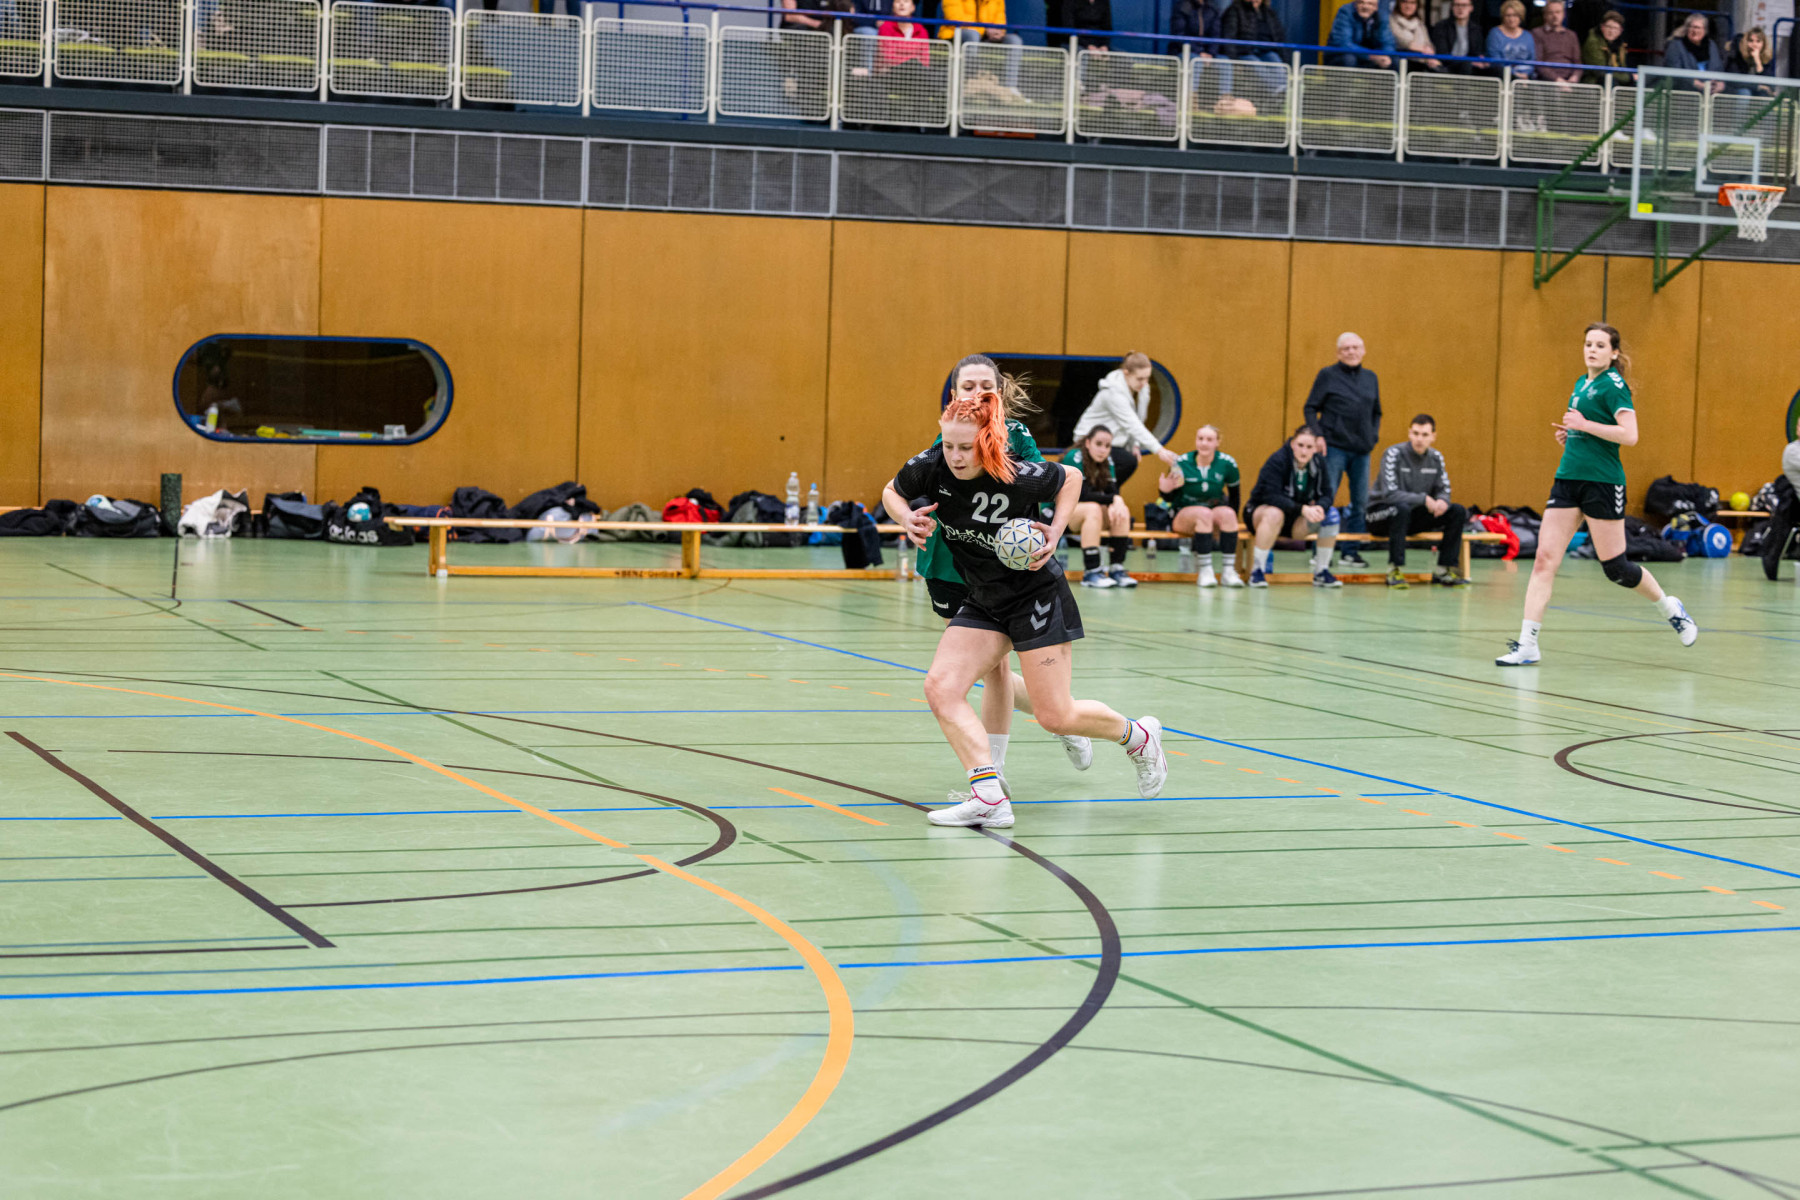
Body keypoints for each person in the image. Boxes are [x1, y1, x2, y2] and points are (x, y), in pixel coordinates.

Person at [884, 390, 1168, 829]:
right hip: (985, 597)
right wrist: (905, 516)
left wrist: (1056, 530)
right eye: (949, 444)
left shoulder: (1015, 474)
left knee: (1056, 716)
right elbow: (891, 491)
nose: (955, 456)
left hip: (1036, 596)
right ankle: (988, 796)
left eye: (965, 447)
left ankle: (1139, 736)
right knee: (941, 687)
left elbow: (1071, 477)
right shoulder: (932, 465)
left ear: (985, 441)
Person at [910, 355, 1095, 789]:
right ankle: (1063, 717)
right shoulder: (949, 437)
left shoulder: (1017, 436)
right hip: (947, 563)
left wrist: (1044, 533)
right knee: (982, 669)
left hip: (1000, 567)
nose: (976, 394)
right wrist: (908, 517)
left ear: (1000, 392)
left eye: (985, 387)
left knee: (995, 668)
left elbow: (1050, 486)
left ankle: (999, 767)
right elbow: (903, 487)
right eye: (967, 387)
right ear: (954, 394)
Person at [1496, 323, 1697, 665]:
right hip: (1568, 479)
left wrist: (1584, 426)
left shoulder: (1614, 386)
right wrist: (1572, 436)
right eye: (1588, 343)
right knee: (1544, 559)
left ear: (1614, 352)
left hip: (1602, 483)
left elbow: (1629, 435)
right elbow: (1589, 431)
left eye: (1600, 345)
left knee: (1616, 568)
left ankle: (1670, 607)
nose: (1592, 350)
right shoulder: (1581, 383)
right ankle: (1528, 644)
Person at [1302, 332, 1381, 567]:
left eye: (1356, 347)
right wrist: (1318, 435)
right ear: (1338, 353)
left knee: (1360, 502)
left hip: (1362, 450)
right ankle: (1320, 552)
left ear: (1363, 351)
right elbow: (1310, 408)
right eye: (1346, 348)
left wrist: (1373, 436)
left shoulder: (1371, 377)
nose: (1351, 352)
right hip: (1333, 448)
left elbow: (1376, 411)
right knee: (1326, 498)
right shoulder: (1327, 375)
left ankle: (1350, 552)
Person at [1367, 413, 1469, 588]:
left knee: (1457, 511)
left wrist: (1443, 501)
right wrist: (1424, 499)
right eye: (1415, 433)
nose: (1419, 439)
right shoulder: (1393, 454)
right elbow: (1389, 494)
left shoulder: (1436, 457)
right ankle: (1394, 570)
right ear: (1409, 433)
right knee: (1401, 508)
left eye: (1424, 435)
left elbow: (1444, 489)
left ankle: (1443, 571)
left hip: (1411, 516)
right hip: (1379, 516)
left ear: (1433, 437)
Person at [1247, 424, 1342, 588]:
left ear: (1315, 448)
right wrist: (1302, 509)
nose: (1304, 451)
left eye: (1309, 447)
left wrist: (1320, 507)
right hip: (1262, 515)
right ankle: (1257, 571)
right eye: (1300, 445)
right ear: (1292, 444)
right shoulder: (1278, 460)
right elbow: (1271, 496)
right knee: (1275, 513)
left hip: (1295, 520)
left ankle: (1321, 571)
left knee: (1331, 515)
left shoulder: (1319, 463)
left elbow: (1327, 494)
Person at [1072, 352, 1181, 489]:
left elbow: (1139, 418)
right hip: (1087, 443)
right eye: (1140, 379)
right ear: (1126, 373)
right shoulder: (1112, 393)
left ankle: (1105, 494)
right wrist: (1159, 450)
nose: (1144, 383)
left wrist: (1135, 444)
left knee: (1127, 462)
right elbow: (1132, 424)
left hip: (1110, 443)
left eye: (1147, 378)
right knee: (1127, 461)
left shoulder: (1141, 387)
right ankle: (1097, 493)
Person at [1158, 423, 1244, 588]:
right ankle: (1205, 571)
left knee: (1228, 513)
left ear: (1217, 442)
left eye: (1209, 439)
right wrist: (1164, 491)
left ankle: (1228, 571)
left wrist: (1228, 524)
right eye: (1200, 439)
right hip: (1183, 516)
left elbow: (1235, 498)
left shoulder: (1227, 463)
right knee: (1204, 513)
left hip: (1212, 517)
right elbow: (1166, 500)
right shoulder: (1182, 463)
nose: (1204, 443)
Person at [1064, 426, 1138, 588]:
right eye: (1098, 444)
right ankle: (1092, 571)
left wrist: (1116, 502)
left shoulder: (1107, 460)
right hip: (1060, 516)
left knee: (1121, 510)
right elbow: (1081, 495)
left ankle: (1117, 568)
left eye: (1107, 446)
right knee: (1093, 508)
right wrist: (1114, 498)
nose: (1103, 450)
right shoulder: (1074, 457)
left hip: (1088, 515)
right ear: (1088, 443)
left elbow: (1112, 491)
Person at [938, 0, 1024, 95]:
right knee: (972, 35)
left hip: (985, 36)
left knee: (1014, 40)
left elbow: (1000, 20)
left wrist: (999, 31)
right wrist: (985, 29)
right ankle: (967, 82)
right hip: (956, 34)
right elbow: (954, 19)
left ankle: (1010, 87)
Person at [1218, 0, 1288, 93]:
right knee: (1258, 66)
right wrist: (1234, 60)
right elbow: (1229, 37)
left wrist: (1285, 59)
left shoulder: (1269, 13)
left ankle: (1283, 91)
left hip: (1266, 51)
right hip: (1245, 52)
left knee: (1278, 65)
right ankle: (1277, 91)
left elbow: (1279, 37)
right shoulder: (1234, 10)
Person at [1663, 13, 1724, 91]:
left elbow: (1719, 69)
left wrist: (1720, 84)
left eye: (1697, 27)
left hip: (1711, 92)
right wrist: (1698, 85)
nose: (1694, 31)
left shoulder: (1712, 45)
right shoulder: (1676, 46)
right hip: (1686, 92)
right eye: (1691, 27)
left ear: (1705, 30)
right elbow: (1675, 73)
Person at [1327, 0, 1395, 68]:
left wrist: (1384, 56)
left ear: (1376, 7)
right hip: (1344, 56)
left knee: (1394, 61)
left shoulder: (1381, 15)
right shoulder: (1345, 12)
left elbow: (1388, 43)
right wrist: (1371, 56)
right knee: (1349, 59)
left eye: (1370, 4)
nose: (1365, 7)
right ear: (1355, 4)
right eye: (1361, 2)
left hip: (1371, 57)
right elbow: (1343, 43)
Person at [1531, 0, 1582, 84]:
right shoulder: (1537, 33)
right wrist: (1557, 80)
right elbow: (1538, 63)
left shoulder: (1571, 35)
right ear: (1545, 15)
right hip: (1546, 82)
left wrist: (1574, 77)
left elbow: (1577, 63)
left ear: (1564, 14)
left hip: (1569, 82)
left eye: (1558, 12)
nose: (1555, 16)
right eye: (1551, 13)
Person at [1429, 0, 1485, 73]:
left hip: (1469, 66)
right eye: (1457, 5)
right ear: (1452, 7)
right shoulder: (1442, 26)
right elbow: (1442, 52)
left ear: (1471, 8)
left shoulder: (1476, 29)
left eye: (1464, 5)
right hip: (1447, 66)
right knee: (1465, 65)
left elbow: (1477, 52)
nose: (1460, 8)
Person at [1485, 1, 1535, 81]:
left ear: (1521, 16)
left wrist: (1525, 74)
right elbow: (1496, 61)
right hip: (1501, 78)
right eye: (1508, 15)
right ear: (1503, 16)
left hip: (1524, 78)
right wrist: (1515, 75)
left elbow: (1532, 61)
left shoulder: (1528, 36)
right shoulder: (1495, 34)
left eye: (1515, 15)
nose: (1511, 19)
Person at [1724, 27, 1777, 96]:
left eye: (1758, 41)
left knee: (1764, 94)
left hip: (1756, 90)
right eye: (1751, 41)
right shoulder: (1736, 54)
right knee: (1745, 93)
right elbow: (1735, 80)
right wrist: (1757, 86)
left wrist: (1758, 62)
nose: (1754, 45)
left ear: (1763, 44)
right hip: (1735, 89)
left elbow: (1769, 83)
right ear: (1746, 42)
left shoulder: (1766, 58)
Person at [1581, 10, 1627, 83]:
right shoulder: (1593, 41)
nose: (1611, 31)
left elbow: (1622, 68)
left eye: (1615, 28)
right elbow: (1600, 71)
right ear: (1602, 27)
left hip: (1614, 80)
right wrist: (1629, 77)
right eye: (1608, 27)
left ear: (1620, 31)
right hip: (1594, 82)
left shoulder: (1620, 45)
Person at [1389, 0, 1434, 64]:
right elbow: (1399, 40)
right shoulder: (1391, 20)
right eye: (1405, 2)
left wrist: (1429, 51)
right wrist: (1421, 48)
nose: (1408, 6)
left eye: (1412, 3)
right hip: (1401, 61)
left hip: (1422, 62)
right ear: (1398, 4)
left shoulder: (1420, 23)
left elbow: (1428, 43)